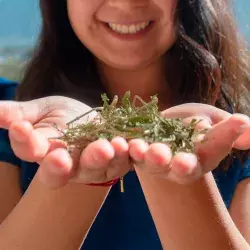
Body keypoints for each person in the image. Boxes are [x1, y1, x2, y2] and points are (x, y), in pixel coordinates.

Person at [0, 0, 250, 249]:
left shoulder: (235, 129)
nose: (125, 2)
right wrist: (78, 168)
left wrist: (174, 171)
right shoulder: (18, 126)